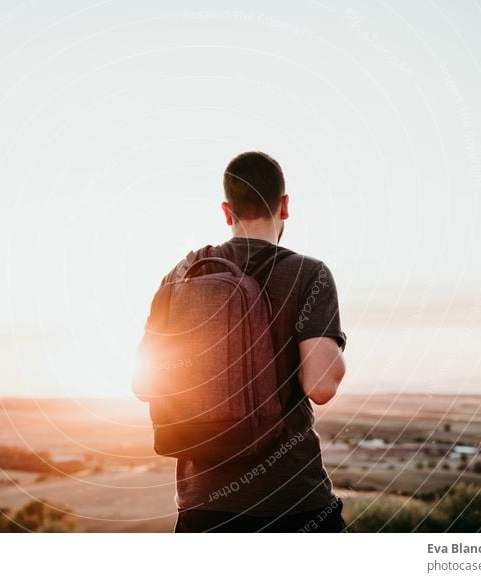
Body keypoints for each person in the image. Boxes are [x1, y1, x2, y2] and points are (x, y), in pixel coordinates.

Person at [148, 151, 348, 533]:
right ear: (285, 205)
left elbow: (144, 382)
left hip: (203, 506)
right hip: (293, 503)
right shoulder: (309, 274)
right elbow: (321, 385)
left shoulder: (182, 276)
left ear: (227, 211)